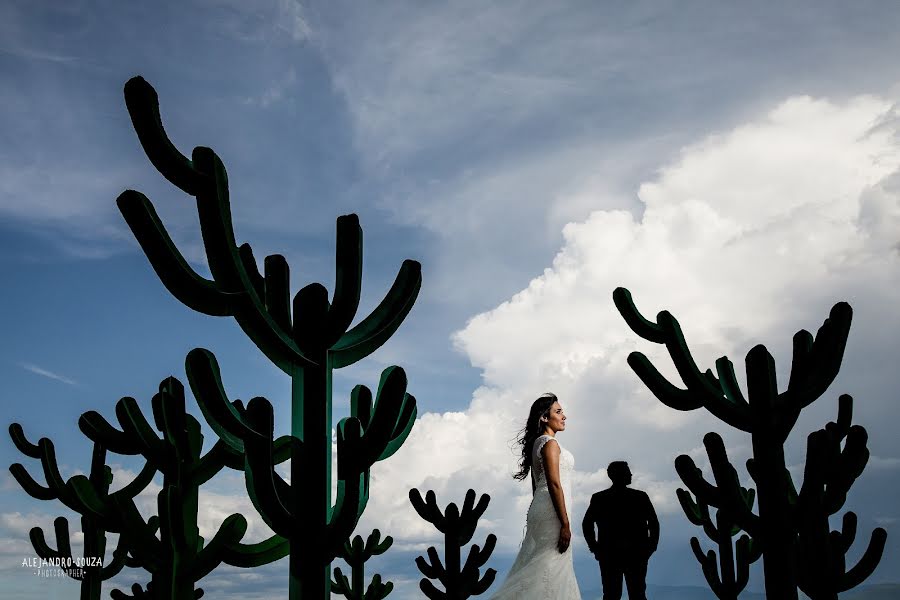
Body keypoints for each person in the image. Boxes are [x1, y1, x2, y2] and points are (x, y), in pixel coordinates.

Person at [489, 393, 582, 599]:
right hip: (553, 512)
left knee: (545, 564)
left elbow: (535, 485)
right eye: (558, 412)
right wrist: (565, 524)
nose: (564, 416)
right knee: (551, 565)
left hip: (543, 508)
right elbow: (554, 483)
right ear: (544, 418)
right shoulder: (550, 444)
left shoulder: (538, 444)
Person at [582, 461, 659, 600]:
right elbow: (654, 523)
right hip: (635, 554)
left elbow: (587, 524)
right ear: (619, 475)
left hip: (611, 554)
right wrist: (650, 547)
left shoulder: (600, 498)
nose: (631, 474)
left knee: (612, 594)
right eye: (627, 471)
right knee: (637, 594)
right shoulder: (640, 497)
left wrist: (595, 547)